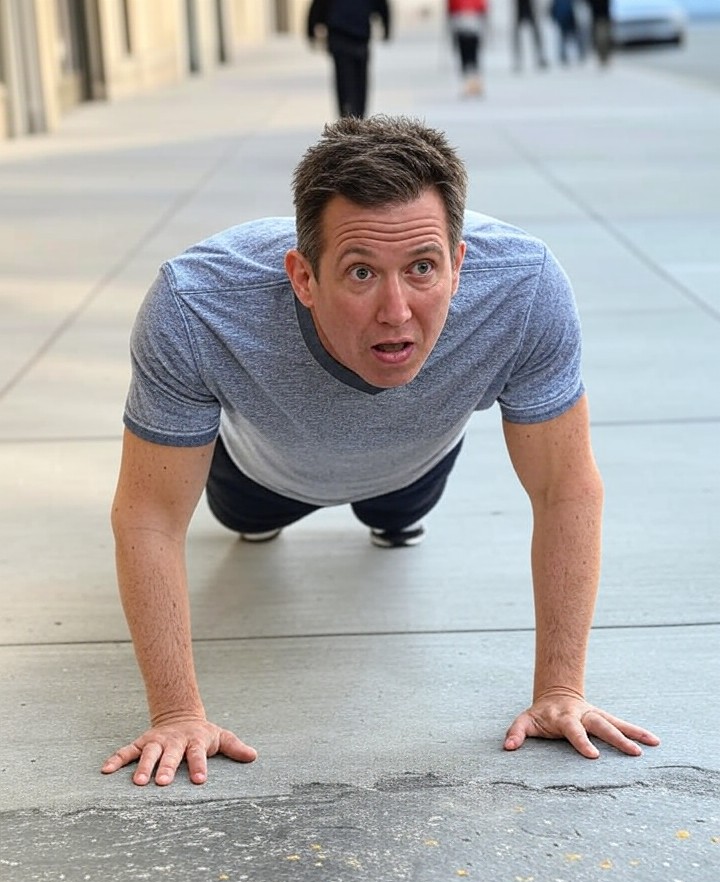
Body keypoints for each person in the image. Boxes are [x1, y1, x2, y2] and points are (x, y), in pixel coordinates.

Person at [102, 115, 660, 787]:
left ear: (458, 265)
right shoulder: (197, 305)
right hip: (260, 472)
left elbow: (565, 487)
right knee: (248, 520)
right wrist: (175, 712)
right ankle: (266, 517)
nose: (396, 310)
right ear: (303, 278)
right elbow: (150, 516)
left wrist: (561, 689)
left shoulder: (524, 287)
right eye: (362, 272)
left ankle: (390, 513)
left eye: (422, 268)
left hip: (412, 467)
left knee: (396, 517)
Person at [307, 0, 391, 118]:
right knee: (357, 79)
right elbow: (382, 5)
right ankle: (356, 114)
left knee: (345, 79)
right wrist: (386, 26)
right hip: (355, 35)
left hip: (344, 35)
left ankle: (348, 113)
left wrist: (311, 31)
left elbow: (317, 7)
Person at [447, 0, 488, 97]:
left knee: (470, 54)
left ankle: (474, 83)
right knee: (467, 55)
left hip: (470, 24)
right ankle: (469, 83)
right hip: (463, 24)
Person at [512, 0, 549, 70]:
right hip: (520, 7)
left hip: (529, 7)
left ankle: (540, 56)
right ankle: (518, 60)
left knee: (536, 34)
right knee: (518, 36)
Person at [549, 0, 586, 64]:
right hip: (565, 21)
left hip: (568, 20)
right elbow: (553, 10)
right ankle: (564, 55)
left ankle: (579, 53)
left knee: (571, 38)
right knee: (565, 38)